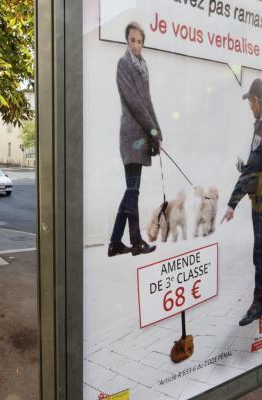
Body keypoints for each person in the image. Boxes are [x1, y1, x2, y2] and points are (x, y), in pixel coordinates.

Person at [221, 78, 262, 326]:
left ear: (257, 101)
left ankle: (259, 301)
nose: (249, 107)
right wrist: (246, 166)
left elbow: (254, 170)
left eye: (250, 102)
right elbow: (258, 164)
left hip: (261, 197)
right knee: (259, 249)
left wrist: (232, 203)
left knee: (258, 250)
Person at [107, 22, 161, 258]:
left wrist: (157, 133)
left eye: (140, 41)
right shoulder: (124, 64)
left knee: (131, 190)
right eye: (132, 40)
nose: (136, 45)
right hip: (131, 136)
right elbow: (134, 103)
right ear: (126, 41)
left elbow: (148, 103)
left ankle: (115, 243)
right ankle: (136, 242)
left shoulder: (143, 67)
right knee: (133, 191)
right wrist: (151, 132)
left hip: (142, 135)